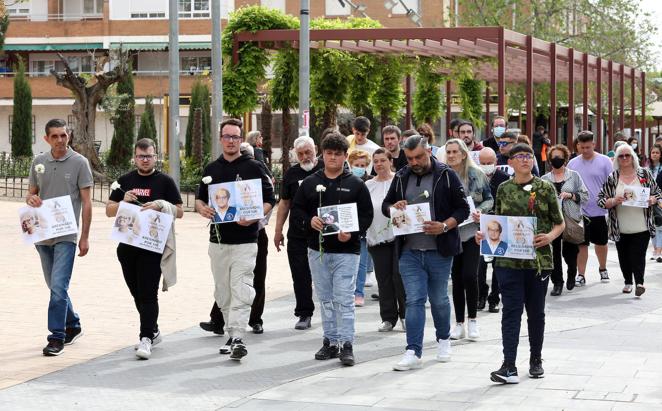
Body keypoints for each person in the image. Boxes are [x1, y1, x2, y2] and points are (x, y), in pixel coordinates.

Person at [476, 143, 565, 384]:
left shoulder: (544, 188)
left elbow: (560, 223)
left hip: (538, 262)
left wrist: (549, 237)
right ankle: (509, 365)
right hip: (508, 262)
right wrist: (484, 234)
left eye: (529, 156)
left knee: (536, 313)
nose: (525, 160)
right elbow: (496, 221)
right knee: (511, 312)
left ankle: (536, 359)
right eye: (520, 157)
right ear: (511, 162)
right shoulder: (503, 188)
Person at [383, 135, 470, 371]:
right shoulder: (401, 176)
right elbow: (386, 205)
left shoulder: (446, 175)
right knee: (414, 300)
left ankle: (443, 340)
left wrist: (444, 226)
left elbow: (463, 208)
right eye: (410, 158)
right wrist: (394, 207)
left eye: (419, 156)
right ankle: (413, 350)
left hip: (439, 250)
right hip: (409, 251)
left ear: (429, 151)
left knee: (439, 299)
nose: (414, 162)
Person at [195, 118, 276, 362]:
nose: (231, 141)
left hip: (246, 240)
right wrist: (202, 209)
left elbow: (270, 199)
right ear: (221, 139)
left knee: (241, 287)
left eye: (235, 137)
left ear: (241, 140)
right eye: (227, 136)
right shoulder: (211, 169)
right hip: (218, 241)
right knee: (223, 291)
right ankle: (231, 334)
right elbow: (200, 199)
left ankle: (238, 337)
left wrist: (254, 217)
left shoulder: (254, 167)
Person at [291, 132, 373, 367]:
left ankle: (347, 344)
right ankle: (330, 341)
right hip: (318, 250)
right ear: (322, 155)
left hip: (347, 251)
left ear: (345, 156)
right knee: (325, 298)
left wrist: (354, 232)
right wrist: (310, 222)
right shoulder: (309, 183)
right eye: (329, 154)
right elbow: (297, 210)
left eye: (338, 154)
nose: (333, 158)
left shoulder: (356, 184)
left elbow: (366, 215)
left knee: (344, 299)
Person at [106, 138, 183, 360]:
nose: (145, 160)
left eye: (149, 156)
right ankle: (154, 329)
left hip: (152, 246)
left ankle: (146, 337)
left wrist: (161, 204)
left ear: (155, 156)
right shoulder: (125, 181)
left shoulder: (165, 182)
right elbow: (109, 210)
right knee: (137, 293)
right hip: (128, 245)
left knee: (148, 294)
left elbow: (179, 211)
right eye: (141, 156)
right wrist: (124, 203)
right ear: (135, 157)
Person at [26, 119, 93, 356]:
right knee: (54, 287)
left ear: (69, 135)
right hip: (43, 235)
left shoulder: (79, 163)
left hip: (66, 234)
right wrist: (31, 199)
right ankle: (73, 324)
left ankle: (56, 337)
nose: (60, 140)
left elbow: (86, 203)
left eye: (63, 135)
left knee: (57, 286)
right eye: (54, 136)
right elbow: (32, 195)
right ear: (46, 139)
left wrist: (83, 237)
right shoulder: (38, 162)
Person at [271, 136, 323, 330]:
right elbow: (284, 203)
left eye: (308, 152)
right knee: (300, 275)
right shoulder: (292, 174)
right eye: (300, 154)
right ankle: (304, 313)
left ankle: (331, 313)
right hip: (298, 233)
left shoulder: (327, 169)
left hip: (324, 233)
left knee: (325, 275)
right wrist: (278, 231)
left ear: (315, 149)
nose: (304, 157)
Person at [444, 139, 493, 342]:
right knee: (456, 278)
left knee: (470, 276)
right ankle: (459, 323)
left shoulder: (476, 174)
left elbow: (490, 199)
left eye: (455, 151)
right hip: (453, 233)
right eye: (449, 152)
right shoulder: (443, 175)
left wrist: (481, 211)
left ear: (464, 154)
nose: (452, 155)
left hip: (473, 233)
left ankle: (473, 320)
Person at [597, 144, 662, 296]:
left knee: (638, 256)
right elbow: (600, 200)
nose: (625, 158)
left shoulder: (644, 174)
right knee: (624, 256)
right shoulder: (613, 177)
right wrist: (613, 201)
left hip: (642, 226)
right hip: (620, 227)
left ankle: (639, 282)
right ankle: (628, 282)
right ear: (617, 159)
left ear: (633, 157)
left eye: (627, 155)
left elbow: (658, 194)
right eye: (621, 156)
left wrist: (652, 200)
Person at [366, 148, 406, 332]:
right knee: (383, 279)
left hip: (398, 238)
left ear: (391, 161)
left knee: (400, 277)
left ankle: (405, 315)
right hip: (377, 238)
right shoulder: (368, 185)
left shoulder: (399, 181)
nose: (379, 164)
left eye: (383, 160)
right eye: (376, 161)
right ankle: (388, 318)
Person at [567, 130, 613, 286]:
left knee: (601, 243)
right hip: (579, 211)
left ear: (594, 144)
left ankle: (603, 268)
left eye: (588, 147)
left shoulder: (605, 161)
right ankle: (581, 274)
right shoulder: (572, 163)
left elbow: (612, 183)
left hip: (600, 211)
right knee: (582, 244)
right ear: (578, 146)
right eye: (582, 147)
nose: (585, 150)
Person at [541, 144, 588, 296]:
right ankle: (557, 283)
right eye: (554, 157)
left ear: (565, 159)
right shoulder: (544, 179)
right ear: (549, 160)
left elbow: (585, 196)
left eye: (559, 157)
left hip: (570, 218)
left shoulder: (574, 176)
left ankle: (572, 272)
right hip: (552, 221)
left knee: (569, 252)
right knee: (554, 253)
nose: (556, 160)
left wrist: (572, 196)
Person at [477, 147, 510, 313]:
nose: (486, 166)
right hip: (480, 227)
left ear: (496, 162)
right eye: (482, 163)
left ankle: (494, 298)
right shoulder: (474, 177)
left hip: (498, 226)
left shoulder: (504, 178)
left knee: (498, 266)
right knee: (480, 265)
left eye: (489, 163)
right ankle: (481, 295)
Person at [347, 150, 374, 307]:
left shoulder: (370, 181)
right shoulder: (345, 180)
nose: (359, 168)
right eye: (357, 165)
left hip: (363, 228)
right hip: (348, 226)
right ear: (351, 165)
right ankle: (348, 291)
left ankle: (359, 293)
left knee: (362, 263)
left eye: (363, 165)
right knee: (348, 262)